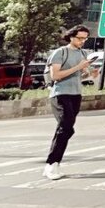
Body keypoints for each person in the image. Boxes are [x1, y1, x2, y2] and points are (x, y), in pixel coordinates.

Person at [43, 24, 95, 180]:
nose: (82, 41)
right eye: (80, 38)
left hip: (75, 94)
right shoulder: (60, 52)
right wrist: (78, 66)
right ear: (71, 36)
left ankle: (52, 164)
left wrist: (92, 74)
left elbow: (82, 76)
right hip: (60, 94)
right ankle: (52, 164)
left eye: (85, 39)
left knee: (67, 128)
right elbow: (55, 75)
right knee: (66, 126)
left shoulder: (83, 53)